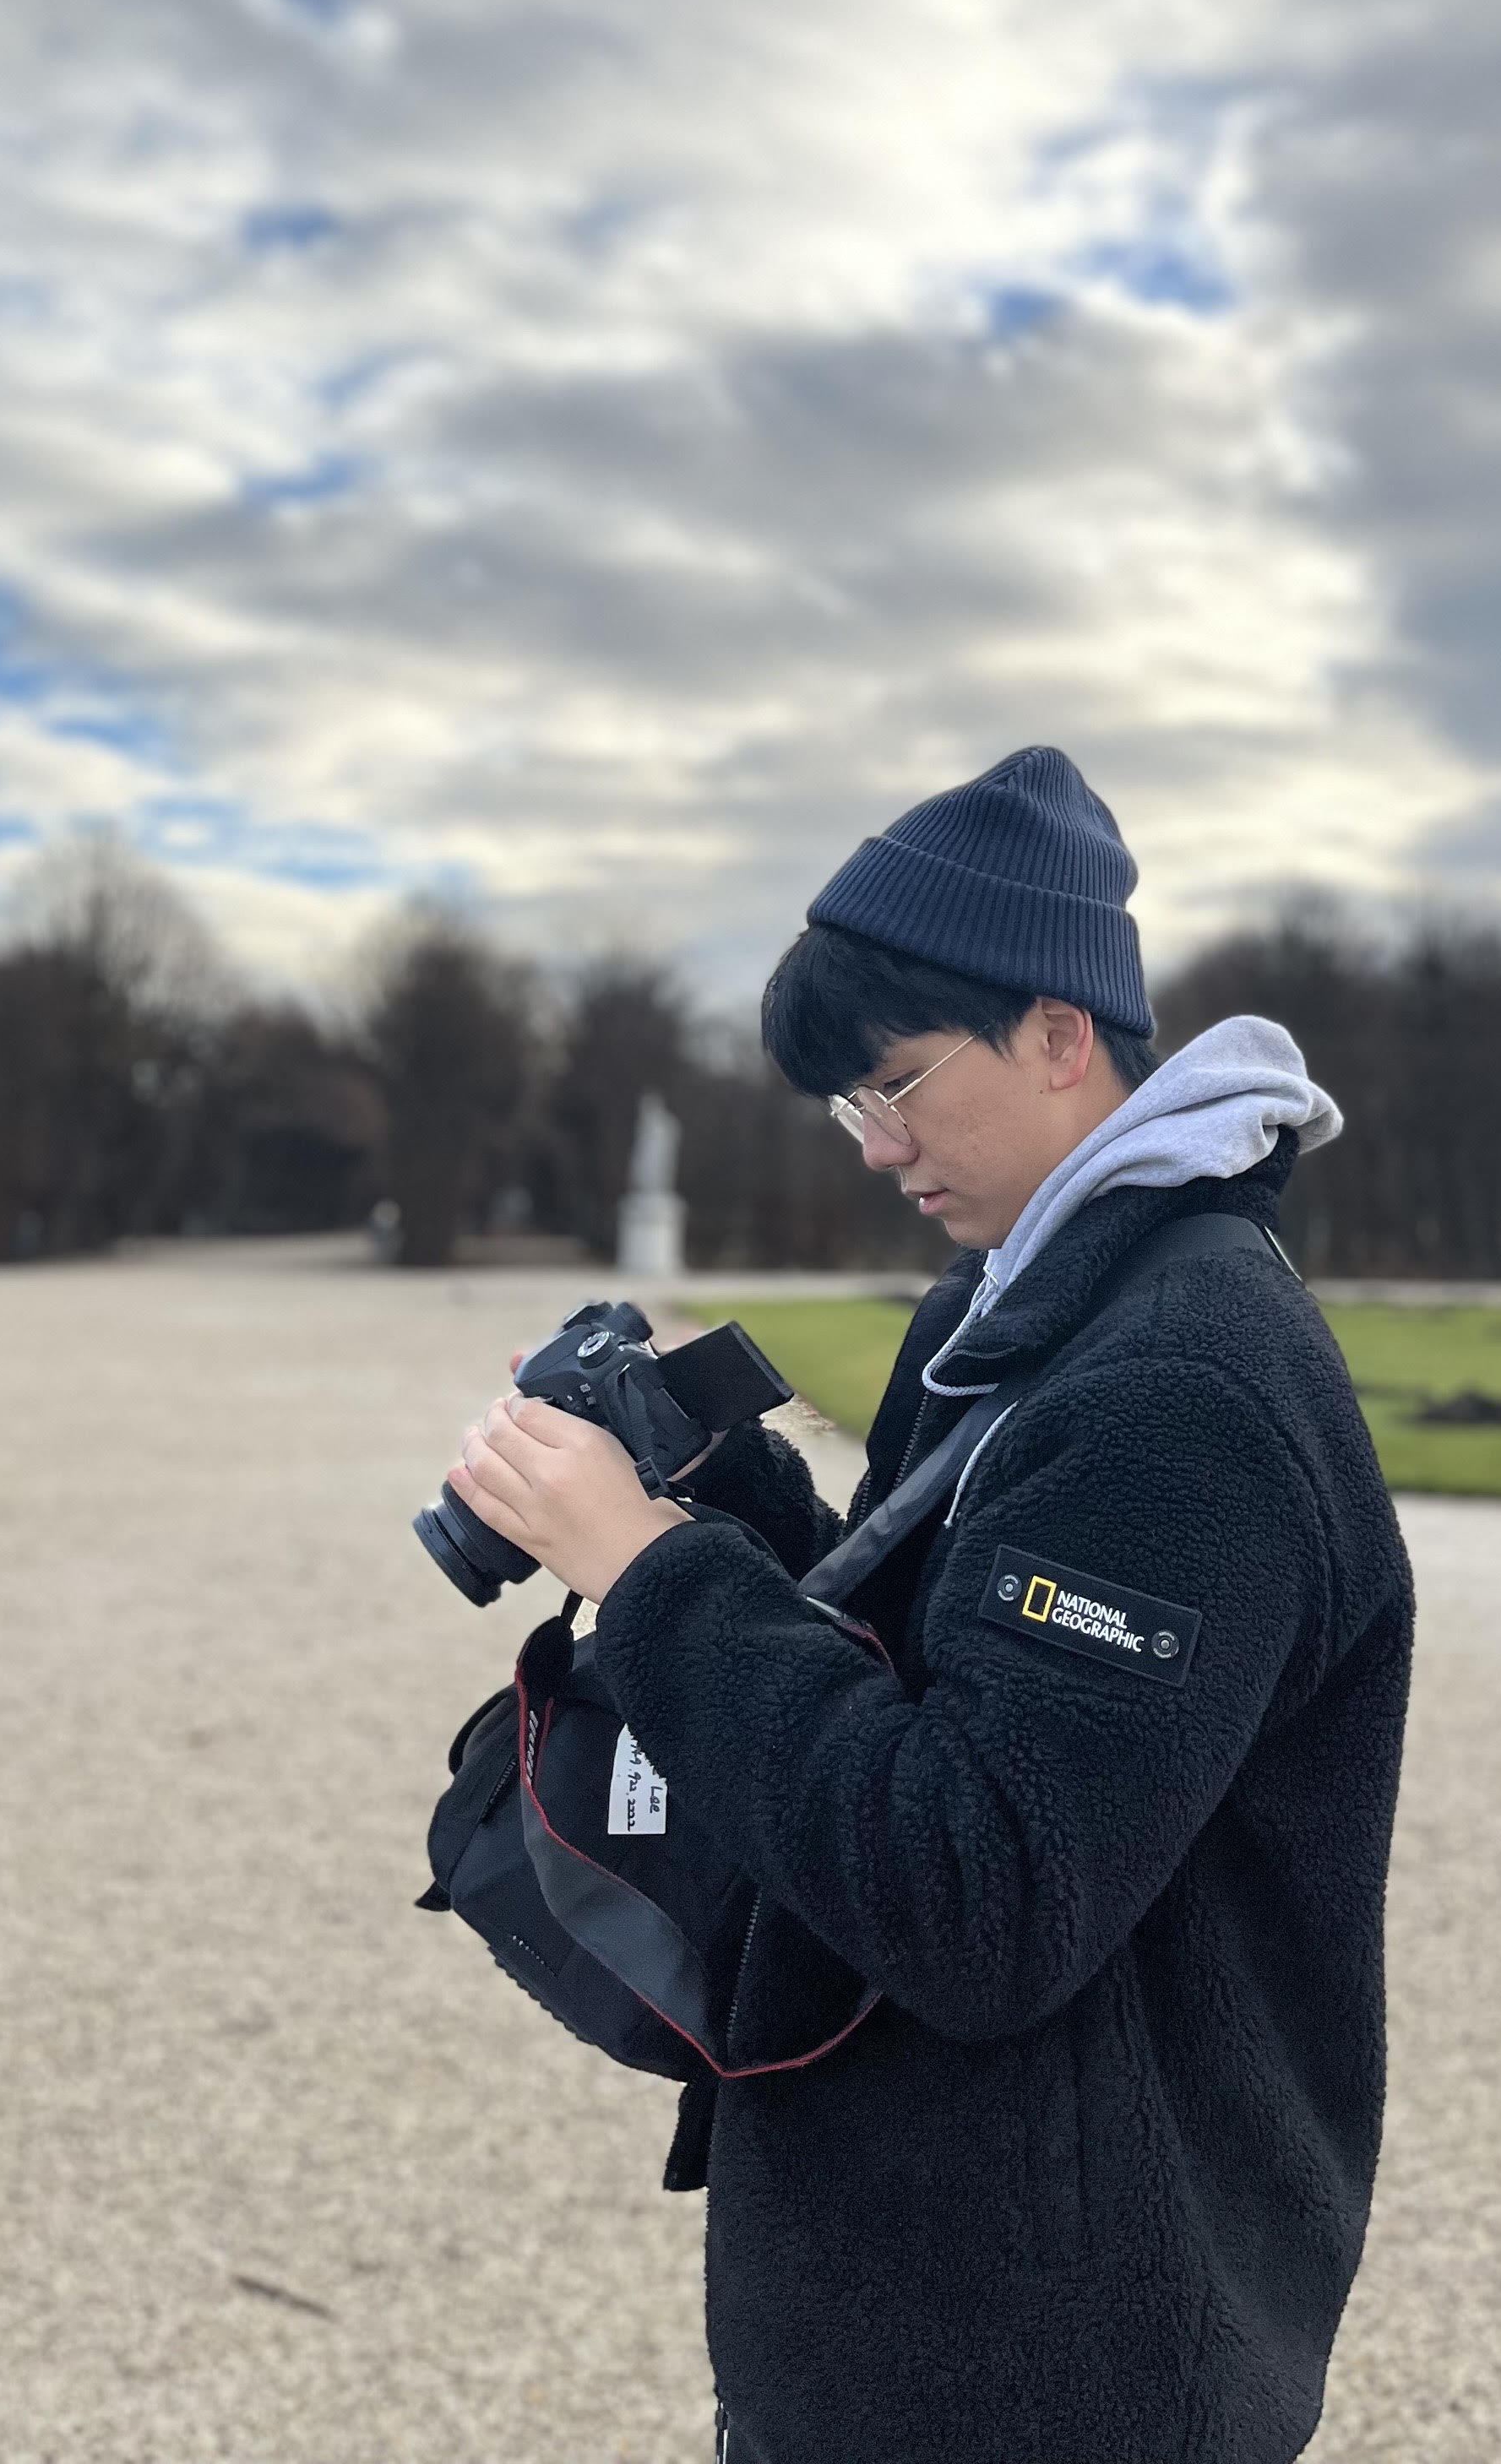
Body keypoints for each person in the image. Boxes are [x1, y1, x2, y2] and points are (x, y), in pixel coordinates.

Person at [445, 746, 1415, 2464]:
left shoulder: (1183, 1385)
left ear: (1060, 1030)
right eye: (850, 1108)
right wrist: (722, 1491)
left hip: (1056, 2361)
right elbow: (941, 1668)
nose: (880, 1146)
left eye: (898, 1084)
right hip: (944, 2300)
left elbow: (980, 1891)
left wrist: (649, 1574)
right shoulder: (1027, 1294)